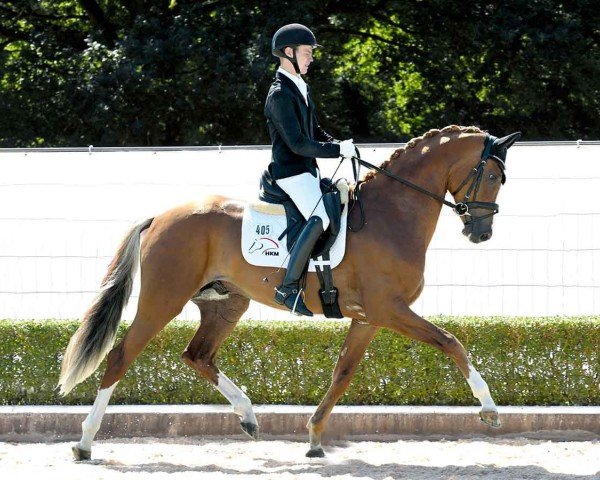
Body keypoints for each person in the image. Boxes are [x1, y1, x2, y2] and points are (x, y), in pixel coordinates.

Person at [264, 23, 355, 316]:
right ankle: (288, 288)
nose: (311, 58)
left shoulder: (301, 88)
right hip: (290, 173)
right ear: (287, 53)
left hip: (307, 172)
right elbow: (299, 144)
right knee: (321, 217)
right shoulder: (279, 94)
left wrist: (340, 143)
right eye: (306, 53)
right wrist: (336, 150)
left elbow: (315, 132)